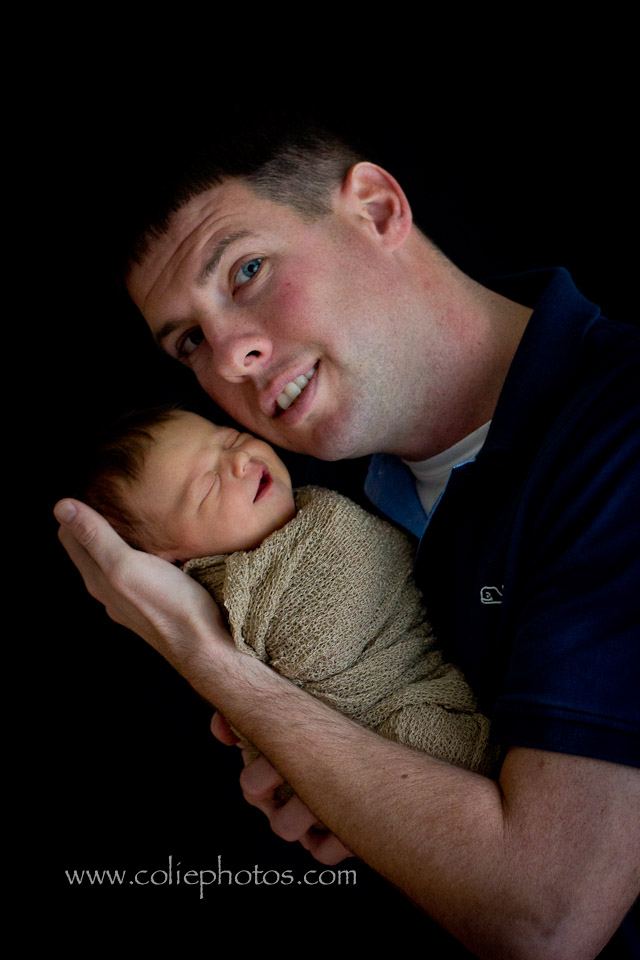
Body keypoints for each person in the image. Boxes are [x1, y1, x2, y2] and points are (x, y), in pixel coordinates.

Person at [54, 122, 639, 959]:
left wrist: (207, 653)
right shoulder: (348, 509)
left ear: (376, 207)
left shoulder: (617, 434)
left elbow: (544, 917)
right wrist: (370, 794)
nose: (230, 358)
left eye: (245, 270)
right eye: (189, 341)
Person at [83, 405, 498, 782]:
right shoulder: (227, 607)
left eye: (229, 438)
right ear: (168, 561)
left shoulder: (313, 506)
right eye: (208, 486)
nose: (239, 460)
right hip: (395, 723)